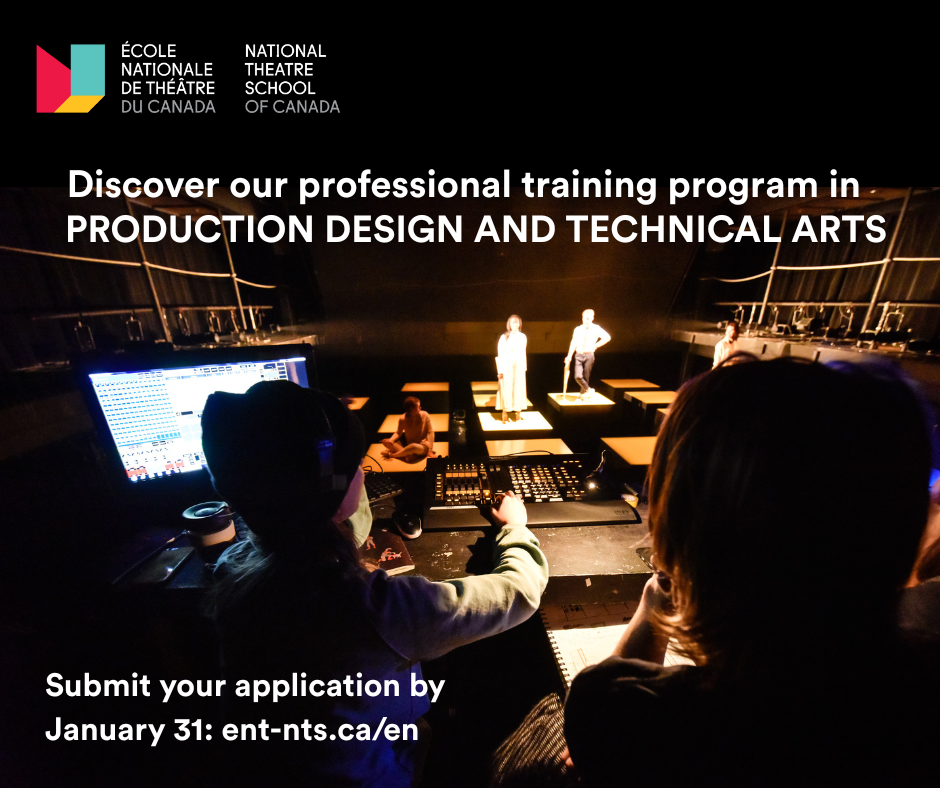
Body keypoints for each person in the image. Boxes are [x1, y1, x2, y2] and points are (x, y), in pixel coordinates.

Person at [559, 358, 939, 787]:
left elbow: (605, 725)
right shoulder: (917, 695)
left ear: (684, 523)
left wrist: (663, 582)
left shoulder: (622, 710)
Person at [201, 381, 548, 788]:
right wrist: (515, 527)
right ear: (333, 493)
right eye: (355, 466)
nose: (364, 472)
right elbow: (520, 592)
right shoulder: (376, 609)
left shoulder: (231, 568)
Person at [564, 309, 610, 400]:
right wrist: (569, 356)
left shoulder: (596, 328)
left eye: (588, 318)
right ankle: (589, 390)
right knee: (578, 376)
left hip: (589, 354)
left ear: (592, 318)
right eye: (584, 318)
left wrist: (596, 345)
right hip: (579, 354)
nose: (586, 320)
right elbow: (573, 342)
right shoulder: (578, 329)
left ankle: (582, 394)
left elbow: (607, 337)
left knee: (586, 376)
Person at [382, 396, 434, 462]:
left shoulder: (425, 415)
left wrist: (430, 450)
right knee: (386, 442)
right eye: (418, 406)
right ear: (411, 409)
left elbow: (430, 432)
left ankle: (394, 455)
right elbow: (398, 433)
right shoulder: (402, 418)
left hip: (422, 446)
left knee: (413, 447)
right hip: (409, 445)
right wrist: (390, 440)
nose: (420, 408)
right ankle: (408, 454)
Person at [497, 314, 527, 423]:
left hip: (519, 364)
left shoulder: (522, 336)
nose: (515, 324)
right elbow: (500, 353)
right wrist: (500, 370)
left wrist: (524, 367)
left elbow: (523, 352)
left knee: (519, 387)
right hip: (507, 364)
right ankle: (505, 411)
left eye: (516, 322)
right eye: (512, 322)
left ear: (519, 324)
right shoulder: (504, 337)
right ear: (509, 324)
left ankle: (518, 411)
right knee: (507, 387)